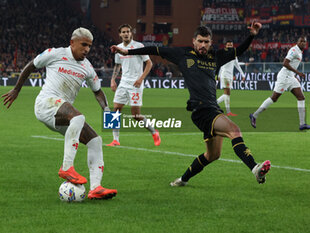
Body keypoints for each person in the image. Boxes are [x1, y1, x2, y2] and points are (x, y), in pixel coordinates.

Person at [111, 22, 271, 186]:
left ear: (210, 43)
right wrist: (127, 51)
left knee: (212, 155)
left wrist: (252, 35)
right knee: (234, 130)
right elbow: (153, 49)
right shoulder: (183, 54)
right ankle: (255, 168)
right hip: (201, 110)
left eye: (206, 42)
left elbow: (238, 51)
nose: (203, 45)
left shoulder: (216, 56)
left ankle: (182, 180)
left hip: (212, 108)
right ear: (194, 41)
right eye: (200, 41)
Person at [2, 27, 117, 200]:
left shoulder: (87, 67)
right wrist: (17, 89)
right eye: (83, 44)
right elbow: (31, 65)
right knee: (78, 117)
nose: (87, 49)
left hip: (61, 115)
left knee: (95, 141)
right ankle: (66, 168)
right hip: (46, 104)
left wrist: (107, 111)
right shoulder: (55, 54)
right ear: (72, 42)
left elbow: (98, 91)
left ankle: (96, 188)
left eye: (90, 46)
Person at [106, 24, 161, 147]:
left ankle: (154, 132)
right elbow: (117, 65)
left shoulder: (139, 46)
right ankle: (115, 140)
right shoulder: (118, 48)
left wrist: (141, 79)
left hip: (135, 84)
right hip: (123, 83)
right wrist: (113, 80)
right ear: (120, 34)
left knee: (135, 115)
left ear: (131, 33)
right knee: (115, 111)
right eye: (123, 32)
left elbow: (149, 63)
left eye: (128, 31)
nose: (126, 34)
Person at [249, 36, 310, 130]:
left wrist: (294, 76)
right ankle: (254, 115)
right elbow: (285, 63)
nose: (303, 43)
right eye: (301, 41)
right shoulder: (294, 50)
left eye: (304, 42)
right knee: (274, 98)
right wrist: (298, 73)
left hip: (290, 77)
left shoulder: (300, 52)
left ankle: (302, 124)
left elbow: (292, 65)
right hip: (284, 77)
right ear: (297, 42)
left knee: (301, 97)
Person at [217, 40, 246, 116]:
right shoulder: (223, 54)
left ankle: (215, 104)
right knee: (227, 92)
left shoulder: (234, 55)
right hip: (225, 75)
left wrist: (243, 75)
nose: (230, 47)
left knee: (228, 93)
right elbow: (220, 65)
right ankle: (228, 111)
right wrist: (219, 75)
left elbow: (237, 65)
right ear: (225, 46)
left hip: (230, 76)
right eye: (228, 45)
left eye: (231, 45)